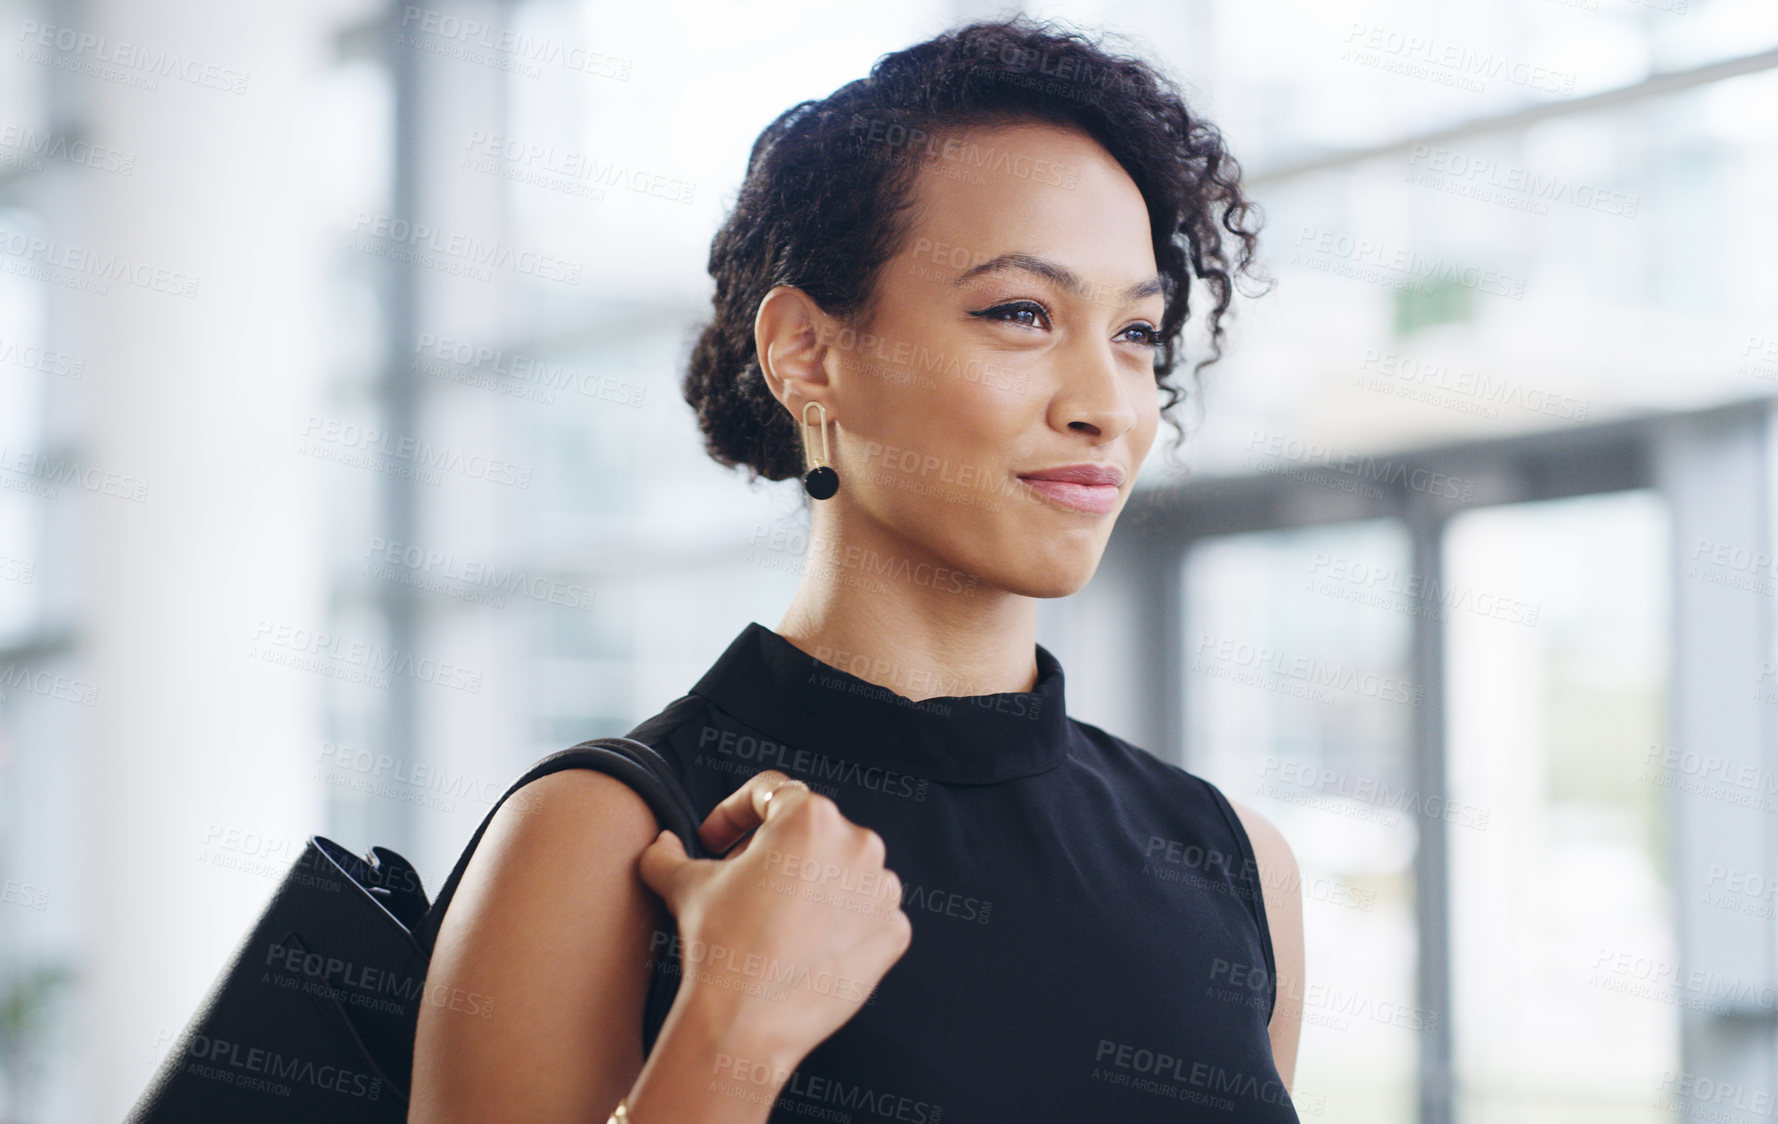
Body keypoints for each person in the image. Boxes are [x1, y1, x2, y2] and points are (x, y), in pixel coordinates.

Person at [408, 14, 1299, 1122]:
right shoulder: (602, 837)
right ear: (807, 353)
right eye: (1021, 313)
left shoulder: (1231, 860)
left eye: (1134, 333)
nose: (1107, 405)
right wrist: (729, 1030)